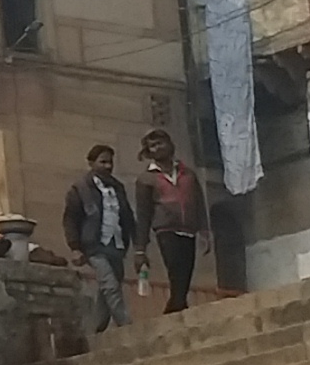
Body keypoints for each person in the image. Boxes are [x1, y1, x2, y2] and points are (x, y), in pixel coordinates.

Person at [59, 144, 135, 333]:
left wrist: (137, 243)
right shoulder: (80, 188)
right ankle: (125, 324)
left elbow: (127, 217)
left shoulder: (118, 187)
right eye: (103, 162)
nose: (108, 166)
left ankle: (95, 329)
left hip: (116, 244)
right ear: (91, 163)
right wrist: (75, 247)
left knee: (108, 288)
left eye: (110, 162)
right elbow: (70, 218)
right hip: (94, 245)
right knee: (110, 284)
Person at [132, 129, 209, 312]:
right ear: (148, 151)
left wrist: (205, 230)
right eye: (153, 146)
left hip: (188, 229)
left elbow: (199, 203)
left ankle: (176, 306)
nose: (157, 148)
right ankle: (177, 307)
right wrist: (140, 249)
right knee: (175, 270)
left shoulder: (188, 174)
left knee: (186, 271)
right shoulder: (146, 179)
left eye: (160, 143)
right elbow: (143, 214)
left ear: (170, 144)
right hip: (165, 229)